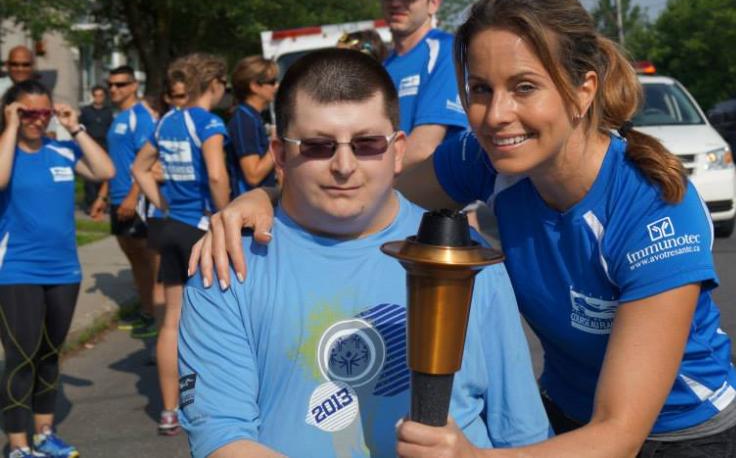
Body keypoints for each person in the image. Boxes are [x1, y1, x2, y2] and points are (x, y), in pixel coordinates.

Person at [193, 0, 736, 457]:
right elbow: (364, 185)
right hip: (568, 413)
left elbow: (620, 436)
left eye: (524, 87)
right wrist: (265, 197)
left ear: (583, 90)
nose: (496, 114)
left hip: (675, 431)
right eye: (480, 90)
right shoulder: (487, 160)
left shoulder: (655, 207)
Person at [178, 48, 549, 457]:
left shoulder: (463, 257)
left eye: (367, 143)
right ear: (281, 155)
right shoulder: (228, 261)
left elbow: (522, 434)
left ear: (398, 149)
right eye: (318, 146)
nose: (344, 165)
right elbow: (222, 436)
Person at [0, 80, 115, 458]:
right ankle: (17, 445)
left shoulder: (62, 149)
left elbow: (105, 170)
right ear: (12, 111)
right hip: (17, 271)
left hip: (64, 272)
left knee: (50, 355)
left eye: (43, 112)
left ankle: (44, 434)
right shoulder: (6, 151)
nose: (37, 120)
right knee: (22, 357)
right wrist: (12, 127)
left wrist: (74, 126)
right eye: (27, 112)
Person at [131, 54, 230, 437]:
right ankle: (213, 405)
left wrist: (160, 202)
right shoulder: (208, 122)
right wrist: (226, 217)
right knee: (217, 318)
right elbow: (218, 174)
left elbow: (139, 168)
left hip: (169, 224)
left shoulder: (167, 121)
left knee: (172, 320)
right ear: (215, 83)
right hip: (201, 226)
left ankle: (169, 410)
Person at [88, 67, 161, 339]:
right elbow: (113, 163)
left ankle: (158, 316)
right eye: (110, 85)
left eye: (120, 84)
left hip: (135, 201)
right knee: (135, 261)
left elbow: (147, 161)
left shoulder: (141, 117)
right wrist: (102, 195)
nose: (113, 89)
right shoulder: (119, 117)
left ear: (133, 85)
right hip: (117, 198)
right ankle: (147, 311)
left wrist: (133, 195)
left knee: (149, 261)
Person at [378, 0, 468, 168]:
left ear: (434, 3)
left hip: (435, 197)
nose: (396, 2)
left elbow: (424, 147)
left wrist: (365, 183)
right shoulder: (383, 68)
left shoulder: (447, 51)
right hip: (390, 191)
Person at [225, 56, 278, 197]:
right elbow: (253, 175)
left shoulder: (252, 116)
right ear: (255, 86)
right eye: (272, 82)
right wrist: (277, 144)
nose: (276, 86)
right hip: (249, 205)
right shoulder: (244, 120)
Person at [79, 85, 112, 213]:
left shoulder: (108, 112)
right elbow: (80, 126)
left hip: (104, 145)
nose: (98, 98)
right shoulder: (86, 111)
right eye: (96, 96)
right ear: (92, 96)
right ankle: (90, 203)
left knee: (104, 175)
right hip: (90, 144)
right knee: (90, 176)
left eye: (101, 96)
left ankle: (102, 201)